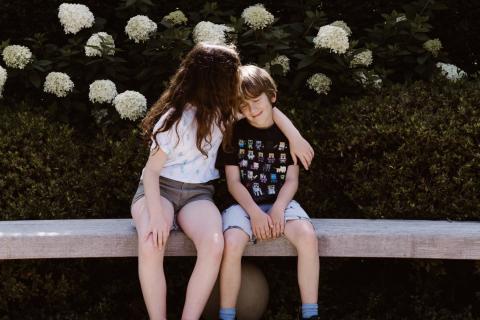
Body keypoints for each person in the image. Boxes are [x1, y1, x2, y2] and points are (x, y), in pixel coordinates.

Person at [130, 44, 314, 320]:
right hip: (160, 190)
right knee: (151, 241)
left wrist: (295, 137)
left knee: (215, 244)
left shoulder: (225, 112)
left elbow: (267, 109)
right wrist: (156, 215)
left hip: (197, 195)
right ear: (214, 81)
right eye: (232, 76)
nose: (237, 80)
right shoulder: (174, 118)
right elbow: (152, 172)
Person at [216, 65, 320, 320]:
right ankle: (226, 315)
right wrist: (254, 214)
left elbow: (292, 180)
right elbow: (233, 183)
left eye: (256, 101)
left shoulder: (287, 135)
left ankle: (310, 313)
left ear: (272, 96)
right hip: (243, 205)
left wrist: (278, 208)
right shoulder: (235, 132)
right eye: (244, 106)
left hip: (280, 202)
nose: (252, 110)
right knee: (231, 243)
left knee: (307, 237)